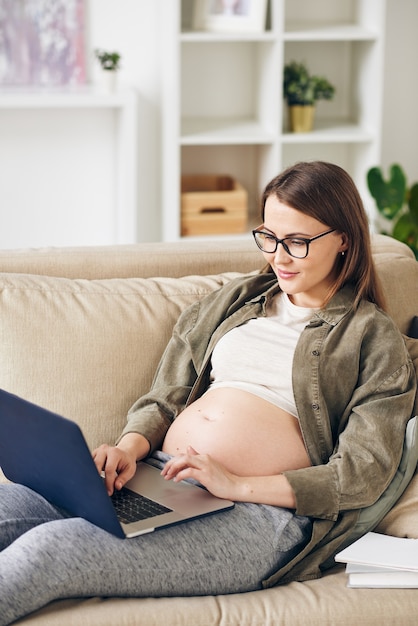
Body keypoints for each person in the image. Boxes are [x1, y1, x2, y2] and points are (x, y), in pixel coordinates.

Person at [0, 161, 416, 625]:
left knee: (52, 551)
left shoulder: (372, 339)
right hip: (158, 479)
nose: (278, 256)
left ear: (343, 239)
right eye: (268, 237)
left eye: (297, 242)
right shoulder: (237, 301)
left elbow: (362, 473)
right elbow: (168, 395)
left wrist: (234, 483)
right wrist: (127, 449)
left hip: (256, 515)